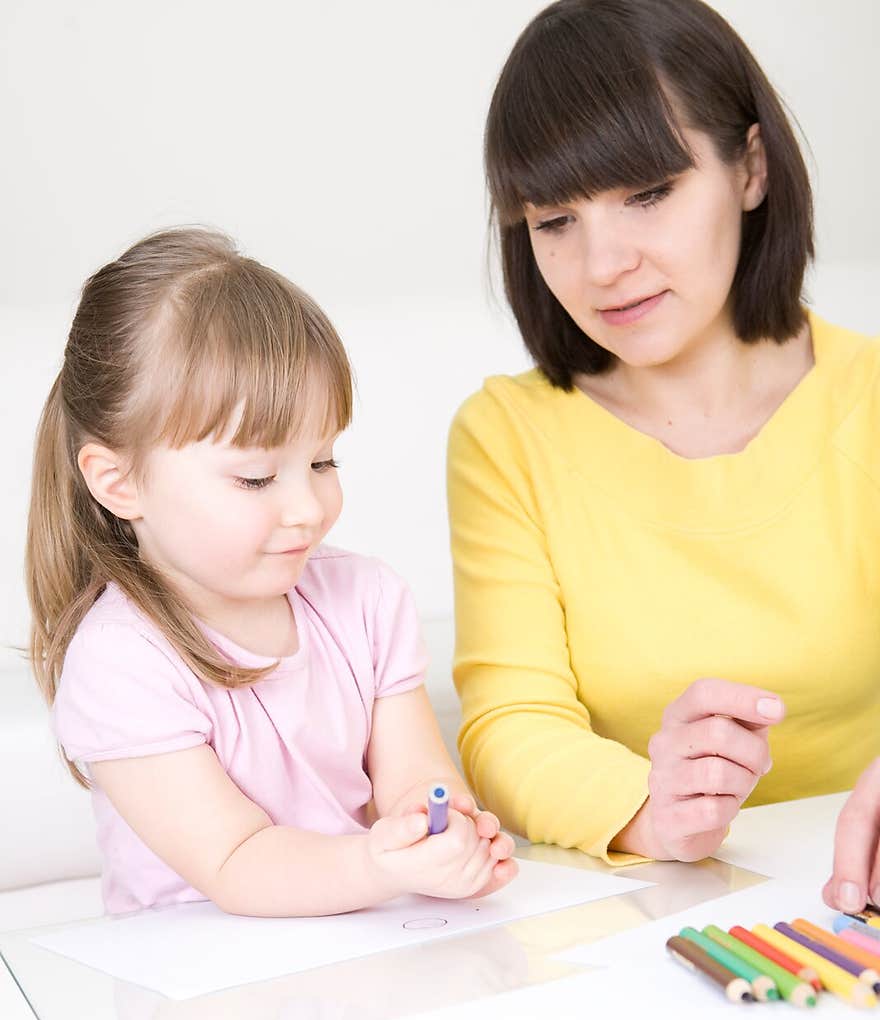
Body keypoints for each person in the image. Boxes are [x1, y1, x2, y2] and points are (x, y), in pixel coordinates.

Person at [447, 0, 880, 909]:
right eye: (553, 219)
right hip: (652, 919)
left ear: (750, 169)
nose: (602, 263)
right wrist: (648, 807)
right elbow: (510, 721)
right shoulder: (506, 438)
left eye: (648, 193)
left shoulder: (869, 397)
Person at [26, 228, 516, 916]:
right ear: (118, 482)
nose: (307, 508)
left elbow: (414, 780)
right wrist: (379, 862)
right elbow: (236, 863)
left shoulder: (366, 601)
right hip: (198, 987)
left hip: (354, 955)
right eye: (256, 478)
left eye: (322, 462)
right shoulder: (119, 662)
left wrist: (440, 835)